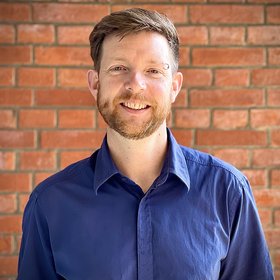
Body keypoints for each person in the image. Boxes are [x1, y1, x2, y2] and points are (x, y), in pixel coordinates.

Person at [18, 8, 274, 280]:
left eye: (153, 70)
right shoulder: (50, 203)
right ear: (95, 83)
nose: (135, 85)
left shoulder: (228, 192)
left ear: (175, 86)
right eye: (119, 68)